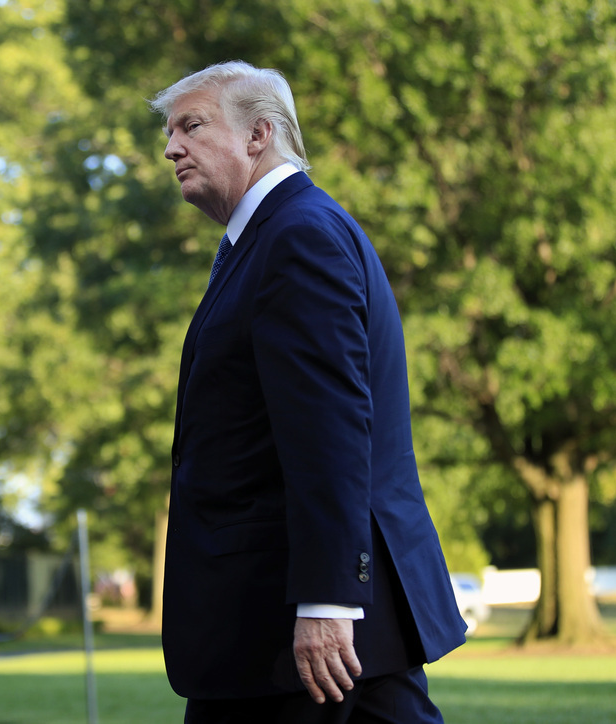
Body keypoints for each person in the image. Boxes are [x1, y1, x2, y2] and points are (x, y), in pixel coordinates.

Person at [150, 61, 467, 724]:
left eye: (192, 125)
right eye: (169, 131)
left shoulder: (298, 238)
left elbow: (331, 430)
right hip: (282, 630)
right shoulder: (267, 239)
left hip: (296, 632)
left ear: (259, 134)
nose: (171, 146)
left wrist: (326, 602)